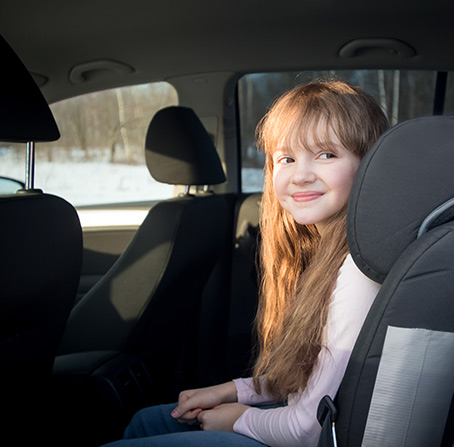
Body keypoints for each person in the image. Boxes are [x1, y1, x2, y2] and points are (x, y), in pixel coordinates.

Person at [102, 79, 389, 447]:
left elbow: (309, 427)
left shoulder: (357, 268)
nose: (300, 174)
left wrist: (240, 419)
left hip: (313, 436)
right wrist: (232, 391)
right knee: (145, 422)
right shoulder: (324, 253)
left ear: (370, 164)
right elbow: (314, 377)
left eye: (326, 154)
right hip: (302, 421)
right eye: (286, 158)